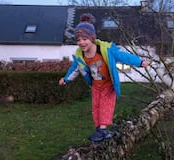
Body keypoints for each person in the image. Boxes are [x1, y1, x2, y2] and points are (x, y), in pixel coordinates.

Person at [59, 13, 149, 142]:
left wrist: (139, 62)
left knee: (105, 106)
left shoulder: (105, 50)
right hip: (96, 85)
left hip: (108, 84)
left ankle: (103, 129)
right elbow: (74, 69)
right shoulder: (80, 56)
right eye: (78, 40)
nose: (81, 43)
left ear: (92, 38)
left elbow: (124, 57)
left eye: (85, 39)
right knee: (95, 107)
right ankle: (99, 130)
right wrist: (66, 79)